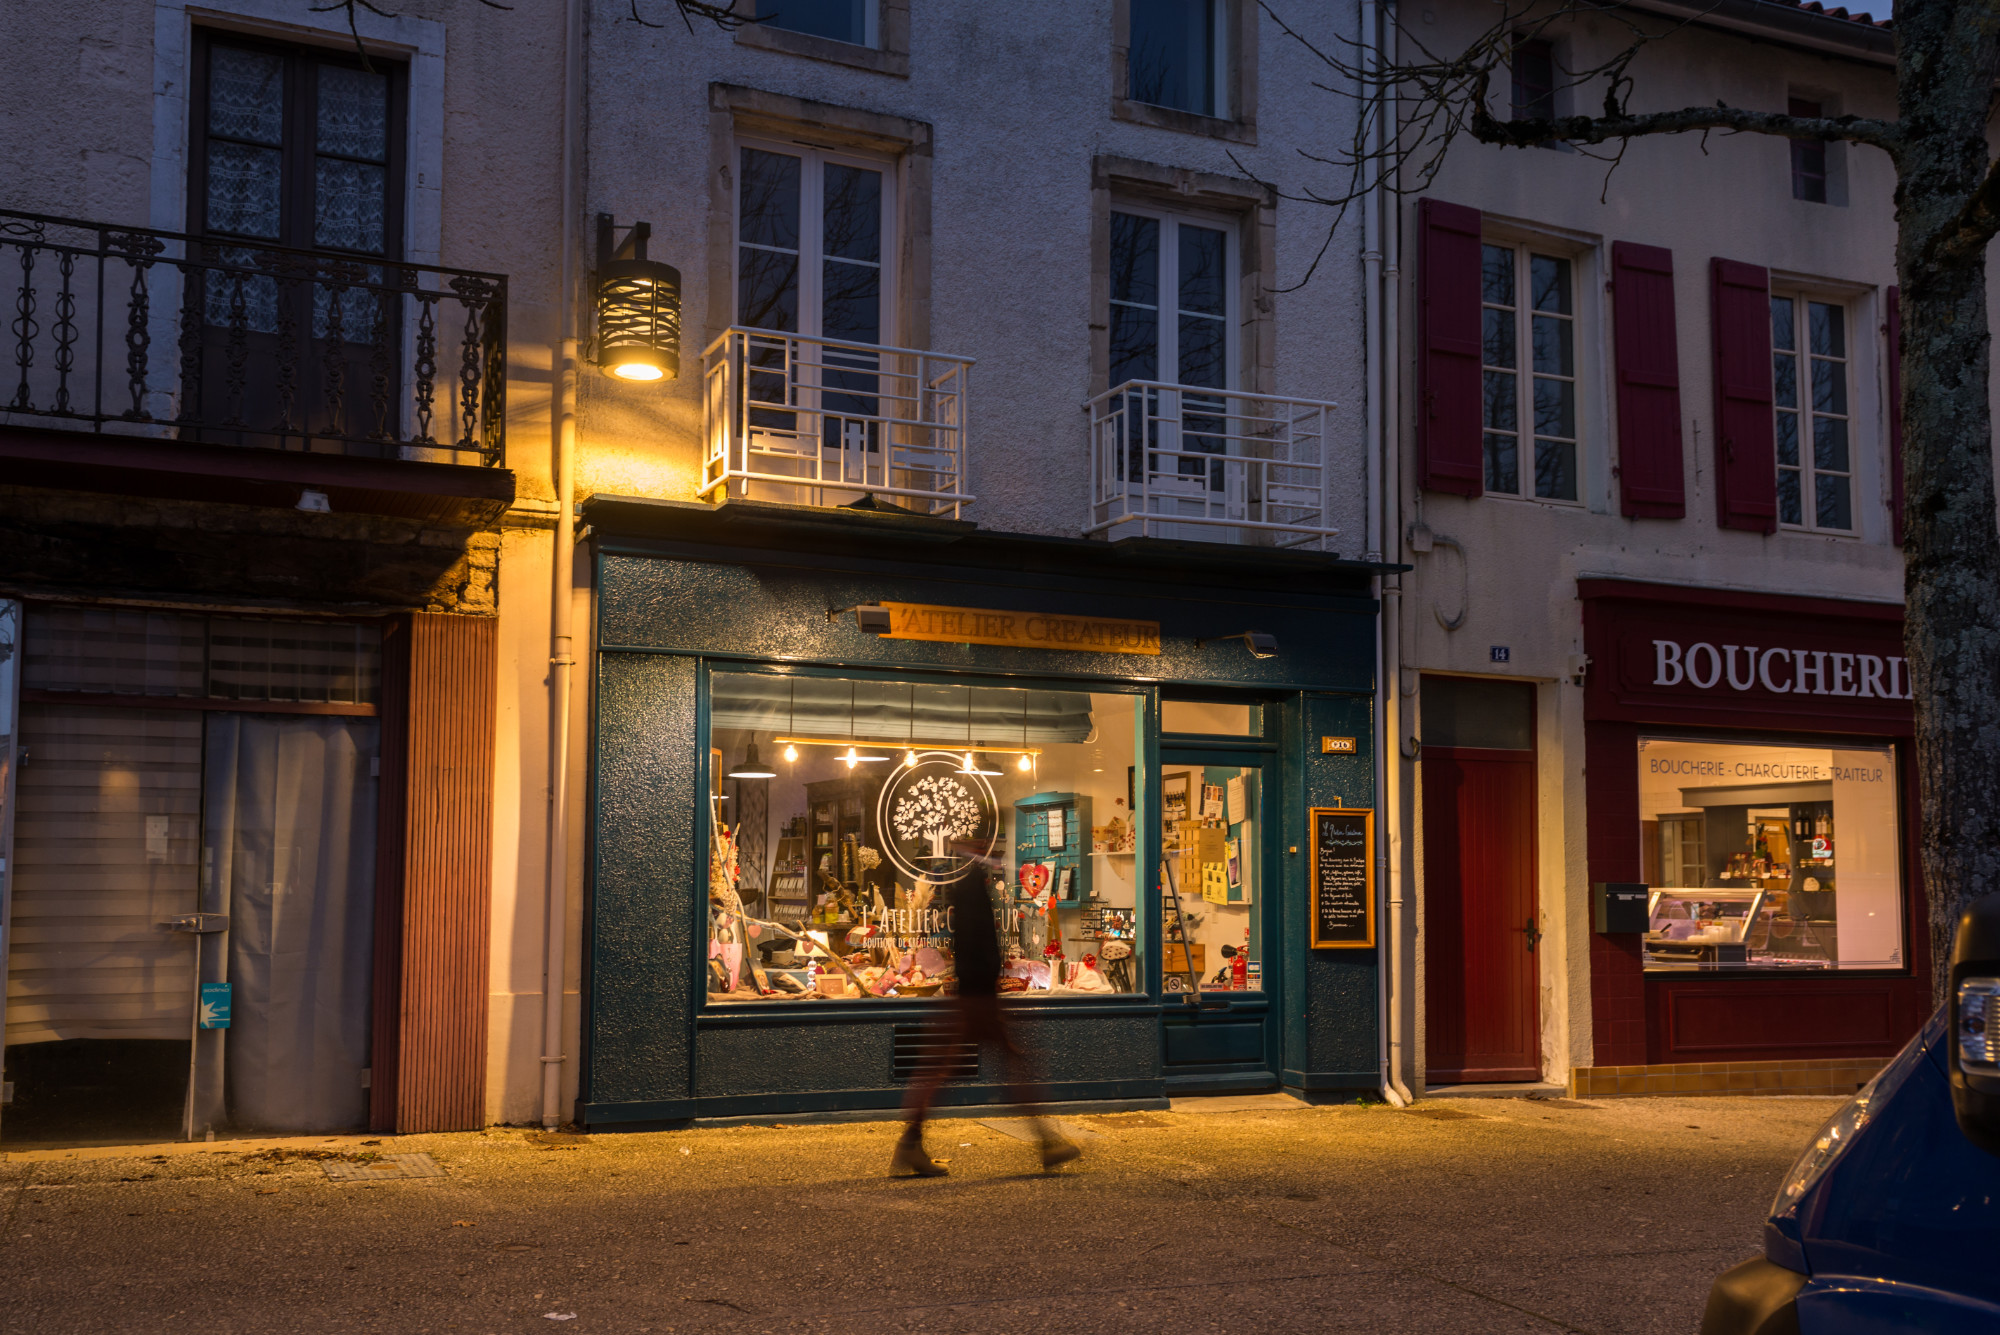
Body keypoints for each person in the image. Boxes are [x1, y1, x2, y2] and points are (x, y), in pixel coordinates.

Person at [892, 846, 1081, 1177]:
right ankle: (1047, 1143)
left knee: (950, 1070)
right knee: (1004, 1067)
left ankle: (910, 1144)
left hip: (975, 996)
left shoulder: (968, 883)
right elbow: (976, 945)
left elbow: (972, 944)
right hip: (977, 998)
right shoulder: (971, 885)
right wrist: (984, 992)